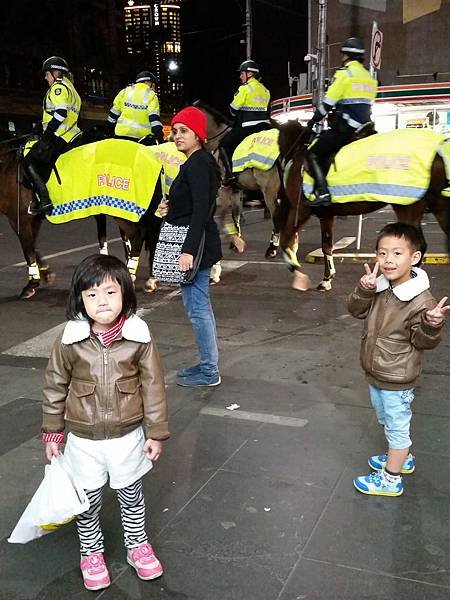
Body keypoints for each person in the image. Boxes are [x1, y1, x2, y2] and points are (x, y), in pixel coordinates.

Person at [41, 254, 169, 591]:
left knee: (131, 494)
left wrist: (156, 433)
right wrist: (53, 430)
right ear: (80, 299)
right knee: (88, 498)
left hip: (128, 435)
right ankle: (91, 551)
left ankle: (137, 545)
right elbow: (55, 384)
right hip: (83, 438)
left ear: (126, 294)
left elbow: (153, 385)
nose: (102, 302)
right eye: (92, 294)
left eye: (111, 293)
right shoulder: (69, 341)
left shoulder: (139, 337)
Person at [348, 223, 448, 497]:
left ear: (414, 257)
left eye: (396, 253)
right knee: (386, 420)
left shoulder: (421, 300)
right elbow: (355, 310)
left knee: (396, 428)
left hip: (397, 377)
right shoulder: (380, 286)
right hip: (376, 371)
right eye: (382, 253)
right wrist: (364, 289)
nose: (388, 260)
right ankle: (401, 458)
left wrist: (432, 323)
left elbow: (424, 342)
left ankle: (391, 479)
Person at [157, 106, 222, 387]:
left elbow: (202, 211)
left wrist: (188, 251)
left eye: (184, 131)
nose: (177, 136)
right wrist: (169, 207)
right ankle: (207, 365)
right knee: (198, 309)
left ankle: (209, 372)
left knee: (199, 311)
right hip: (196, 245)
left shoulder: (198, 164)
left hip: (196, 248)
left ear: (199, 135)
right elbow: (192, 203)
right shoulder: (196, 162)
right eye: (174, 131)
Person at [306, 37, 378, 206]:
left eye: (343, 55)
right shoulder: (368, 76)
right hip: (365, 127)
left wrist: (313, 120)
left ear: (346, 55)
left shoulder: (344, 75)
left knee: (313, 153)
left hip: (346, 128)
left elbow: (327, 105)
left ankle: (323, 192)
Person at [23, 56, 81, 215]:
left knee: (27, 161)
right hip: (69, 135)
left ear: (56, 73)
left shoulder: (58, 88)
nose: (45, 77)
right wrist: (39, 128)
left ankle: (44, 200)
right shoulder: (72, 90)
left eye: (47, 74)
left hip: (57, 136)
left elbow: (61, 113)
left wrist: (46, 136)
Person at [219, 60, 271, 186]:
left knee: (223, 144)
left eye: (242, 73)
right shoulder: (265, 90)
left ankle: (230, 175)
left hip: (248, 127)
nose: (240, 76)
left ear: (250, 74)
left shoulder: (245, 89)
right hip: (266, 127)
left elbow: (233, 110)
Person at [107, 70, 164, 145]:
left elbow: (113, 115)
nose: (154, 86)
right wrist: (160, 139)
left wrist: (109, 132)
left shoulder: (124, 91)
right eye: (153, 84)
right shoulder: (152, 95)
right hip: (142, 139)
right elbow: (154, 120)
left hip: (121, 135)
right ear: (147, 82)